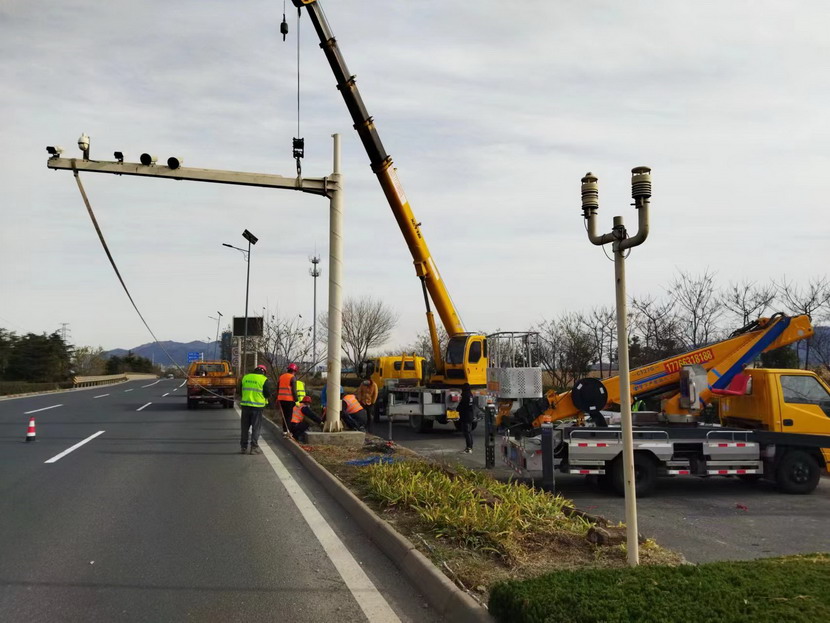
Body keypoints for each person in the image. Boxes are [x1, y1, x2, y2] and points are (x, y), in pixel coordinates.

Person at [239, 364, 275, 454]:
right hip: (257, 407)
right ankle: (254, 448)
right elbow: (267, 393)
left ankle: (243, 447)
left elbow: (239, 390)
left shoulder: (246, 377)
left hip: (245, 406)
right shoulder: (263, 379)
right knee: (256, 428)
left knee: (244, 428)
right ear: (264, 372)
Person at [277, 363, 299, 431]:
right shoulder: (292, 377)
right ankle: (287, 431)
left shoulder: (281, 376)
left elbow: (277, 388)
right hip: (289, 400)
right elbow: (294, 391)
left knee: (284, 416)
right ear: (294, 371)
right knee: (288, 417)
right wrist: (296, 400)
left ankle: (284, 430)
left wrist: (277, 398)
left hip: (281, 399)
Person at [457, 383, 474, 454]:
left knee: (466, 432)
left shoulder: (465, 396)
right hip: (470, 415)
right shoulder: (470, 395)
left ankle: (468, 448)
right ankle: (470, 447)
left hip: (465, 416)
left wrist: (457, 409)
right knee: (469, 432)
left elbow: (461, 406)